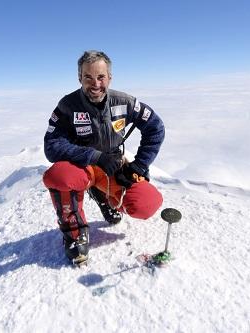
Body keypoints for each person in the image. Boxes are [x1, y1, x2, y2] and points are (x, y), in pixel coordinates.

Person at [42, 50, 165, 265]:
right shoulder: (68, 106)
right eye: (88, 77)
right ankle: (74, 233)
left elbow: (155, 127)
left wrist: (139, 165)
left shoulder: (124, 102)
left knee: (147, 203)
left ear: (109, 77)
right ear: (79, 78)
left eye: (101, 77)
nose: (95, 84)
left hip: (114, 166)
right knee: (59, 176)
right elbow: (52, 146)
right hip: (84, 166)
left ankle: (104, 196)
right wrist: (94, 156)